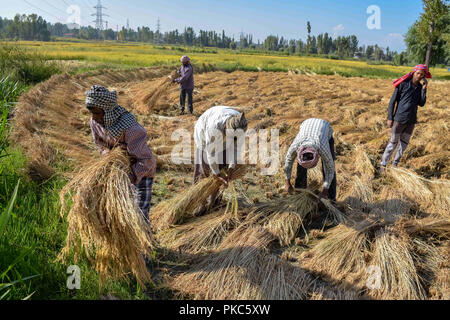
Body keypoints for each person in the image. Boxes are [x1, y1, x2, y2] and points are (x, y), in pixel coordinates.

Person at [85, 85, 157, 222]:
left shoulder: (130, 128)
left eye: (97, 113)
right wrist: (109, 156)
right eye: (91, 113)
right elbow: (100, 144)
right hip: (117, 171)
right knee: (119, 216)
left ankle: (146, 242)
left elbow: (145, 161)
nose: (94, 117)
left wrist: (127, 177)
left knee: (139, 217)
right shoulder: (95, 121)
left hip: (140, 173)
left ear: (107, 110)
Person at [379, 64, 431, 173]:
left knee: (403, 143)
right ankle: (383, 165)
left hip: (411, 120)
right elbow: (392, 102)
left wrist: (424, 90)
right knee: (393, 142)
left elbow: (421, 103)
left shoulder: (419, 88)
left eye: (422, 74)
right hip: (399, 119)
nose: (419, 76)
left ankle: (395, 163)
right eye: (418, 73)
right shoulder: (402, 84)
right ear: (414, 72)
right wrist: (390, 117)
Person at [193, 106, 248, 207]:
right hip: (203, 135)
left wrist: (231, 166)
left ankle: (213, 201)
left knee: (223, 167)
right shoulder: (214, 128)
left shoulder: (241, 126)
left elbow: (236, 149)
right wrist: (216, 173)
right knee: (204, 170)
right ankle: (199, 202)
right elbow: (210, 154)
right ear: (226, 128)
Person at [284, 118, 337, 203]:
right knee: (300, 169)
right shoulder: (296, 146)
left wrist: (324, 192)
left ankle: (331, 199)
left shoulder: (323, 148)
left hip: (325, 128)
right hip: (306, 124)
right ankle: (300, 194)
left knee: (327, 167)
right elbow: (288, 161)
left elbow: (330, 170)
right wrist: (287, 182)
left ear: (318, 156)